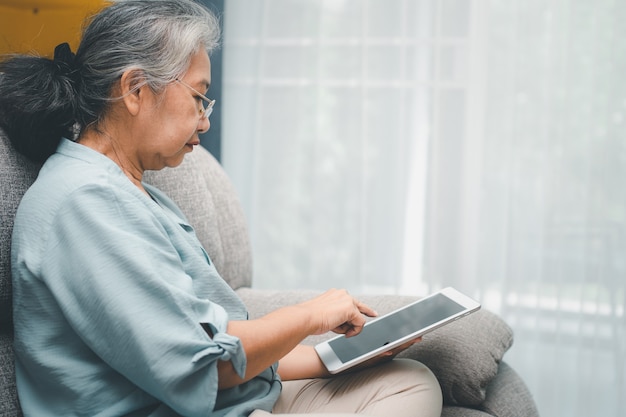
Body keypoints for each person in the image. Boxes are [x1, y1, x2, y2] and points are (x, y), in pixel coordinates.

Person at [1, 1, 443, 416]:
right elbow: (203, 366)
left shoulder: (138, 194)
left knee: (410, 380)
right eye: (198, 98)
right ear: (136, 89)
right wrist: (308, 315)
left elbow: (227, 348)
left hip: (236, 399)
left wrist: (338, 357)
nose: (205, 120)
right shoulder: (81, 204)